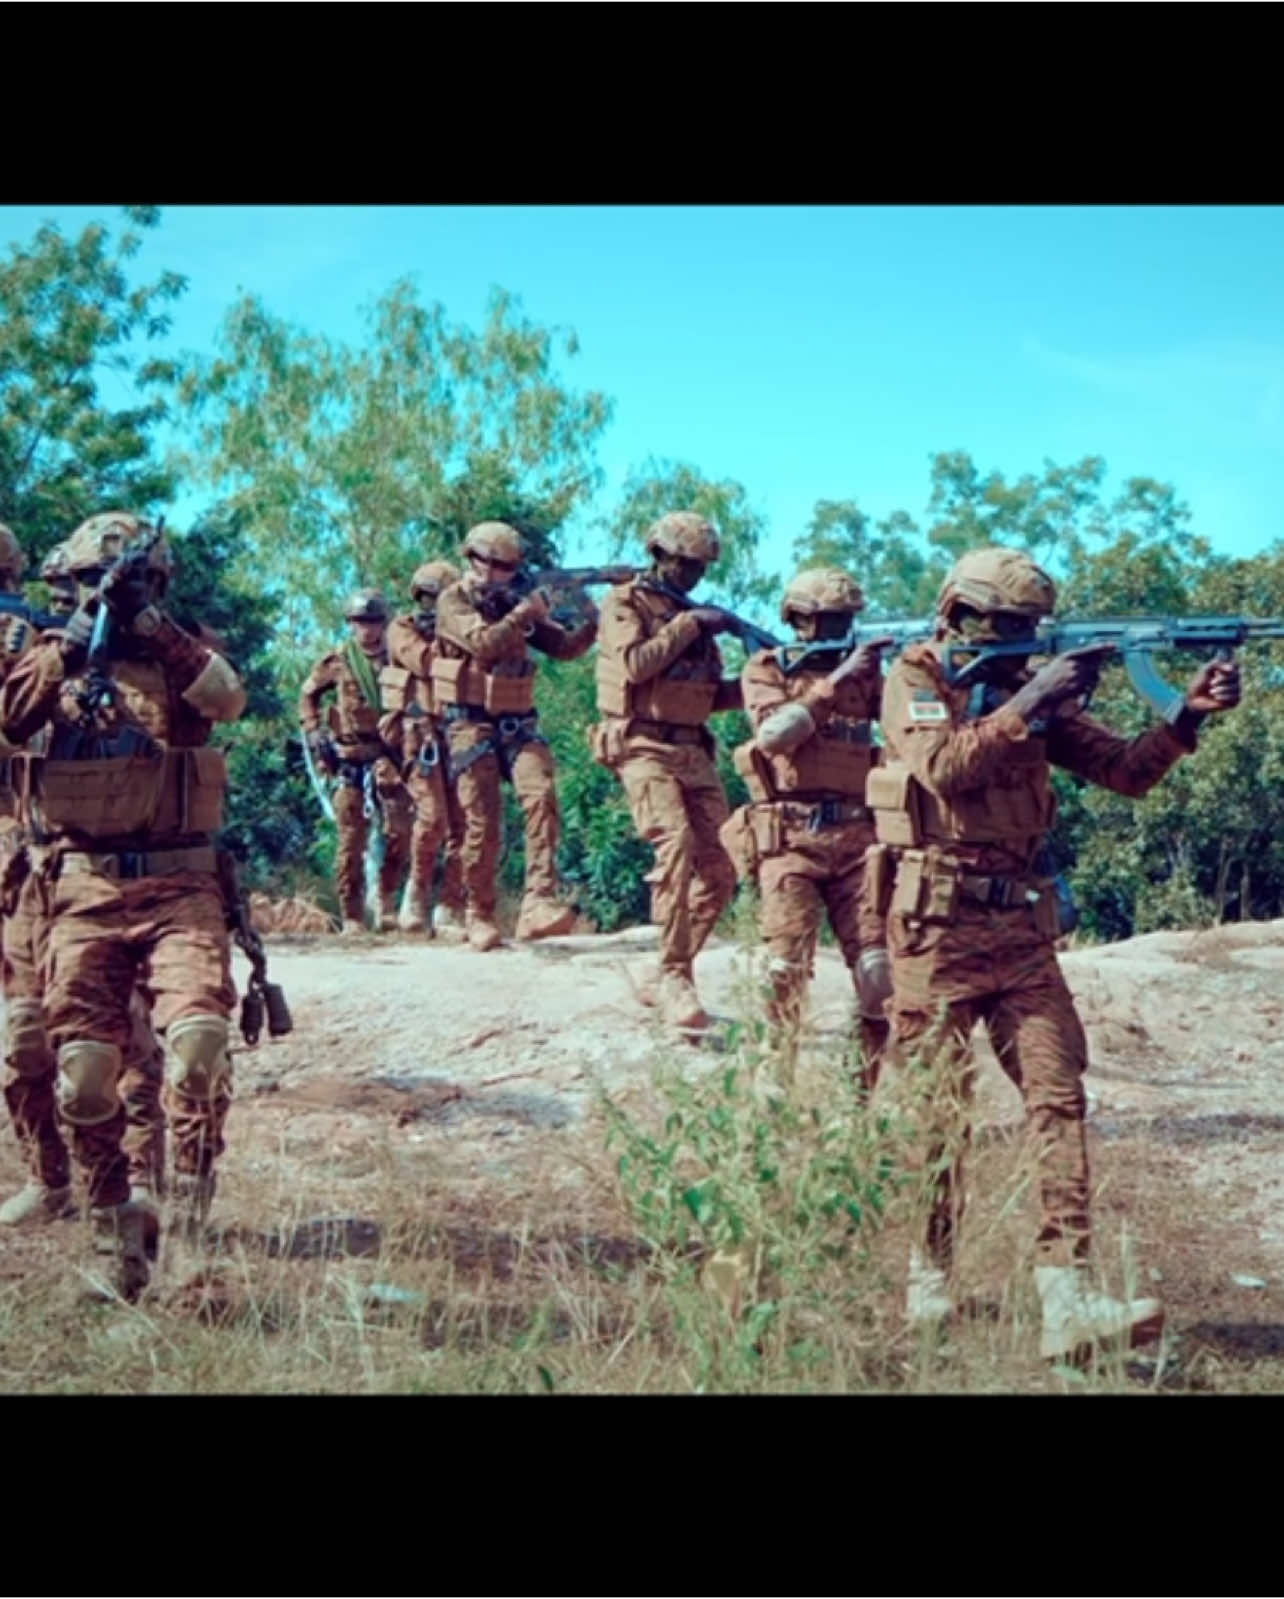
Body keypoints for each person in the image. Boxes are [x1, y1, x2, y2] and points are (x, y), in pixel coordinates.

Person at [871, 545, 1240, 1358]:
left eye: (1026, 629)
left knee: (1057, 1098)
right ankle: (929, 1270)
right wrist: (1031, 697)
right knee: (938, 1116)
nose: (1014, 640)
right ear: (955, 613)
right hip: (934, 930)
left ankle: (1065, 1293)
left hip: (1023, 934)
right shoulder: (918, 679)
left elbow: (1124, 770)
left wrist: (1186, 715)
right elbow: (942, 767)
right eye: (1000, 626)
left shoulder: (1022, 693)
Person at [0, 511, 248, 1300]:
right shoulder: (46, 654)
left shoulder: (182, 652)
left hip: (180, 882)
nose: (105, 596)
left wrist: (154, 627)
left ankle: (191, 1244)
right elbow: (11, 717)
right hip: (82, 886)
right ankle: (116, 1247)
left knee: (199, 1047)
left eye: (130, 582)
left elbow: (228, 698)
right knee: (81, 1075)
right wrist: (73, 638)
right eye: (90, 584)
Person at [0, 537, 167, 1229]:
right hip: (22, 867)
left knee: (115, 1030)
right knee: (21, 1038)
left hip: (67, 862)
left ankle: (143, 1181)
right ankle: (51, 1178)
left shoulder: (50, 643)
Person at [726, 566, 893, 1085]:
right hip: (790, 840)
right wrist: (838, 681)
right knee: (784, 971)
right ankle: (774, 1086)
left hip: (858, 840)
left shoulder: (867, 677)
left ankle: (859, 1092)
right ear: (797, 620)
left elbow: (911, 727)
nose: (840, 628)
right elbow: (775, 734)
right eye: (829, 619)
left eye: (845, 619)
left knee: (878, 975)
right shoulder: (767, 668)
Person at [591, 511, 742, 1032]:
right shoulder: (624, 603)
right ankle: (678, 976)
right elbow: (634, 664)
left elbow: (706, 695)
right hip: (640, 743)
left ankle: (662, 968)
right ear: (659, 555)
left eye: (700, 567)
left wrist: (763, 681)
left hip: (692, 749)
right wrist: (688, 624)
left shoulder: (692, 615)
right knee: (674, 842)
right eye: (686, 564)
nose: (694, 575)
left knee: (723, 866)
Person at [433, 522, 595, 952]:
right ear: (469, 558)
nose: (493, 572)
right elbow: (482, 643)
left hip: (518, 722)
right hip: (470, 722)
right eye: (485, 561)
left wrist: (590, 620)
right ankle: (479, 913)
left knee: (541, 796)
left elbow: (562, 648)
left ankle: (537, 902)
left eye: (504, 565)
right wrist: (526, 611)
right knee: (481, 822)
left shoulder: (512, 603)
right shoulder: (453, 601)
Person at [299, 588, 412, 935]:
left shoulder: (398, 658)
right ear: (350, 623)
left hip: (387, 756)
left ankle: (388, 904)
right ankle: (352, 914)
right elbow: (307, 695)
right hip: (349, 757)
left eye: (374, 621)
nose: (368, 628)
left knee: (399, 832)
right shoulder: (338, 660)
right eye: (360, 621)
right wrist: (314, 730)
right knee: (351, 840)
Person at [380, 561, 467, 934]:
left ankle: (450, 904)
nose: (431, 605)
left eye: (439, 598)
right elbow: (424, 661)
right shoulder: (403, 629)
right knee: (431, 818)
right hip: (422, 733)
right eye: (428, 598)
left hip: (462, 731)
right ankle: (416, 892)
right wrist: (454, 636)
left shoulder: (463, 625)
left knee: (465, 823)